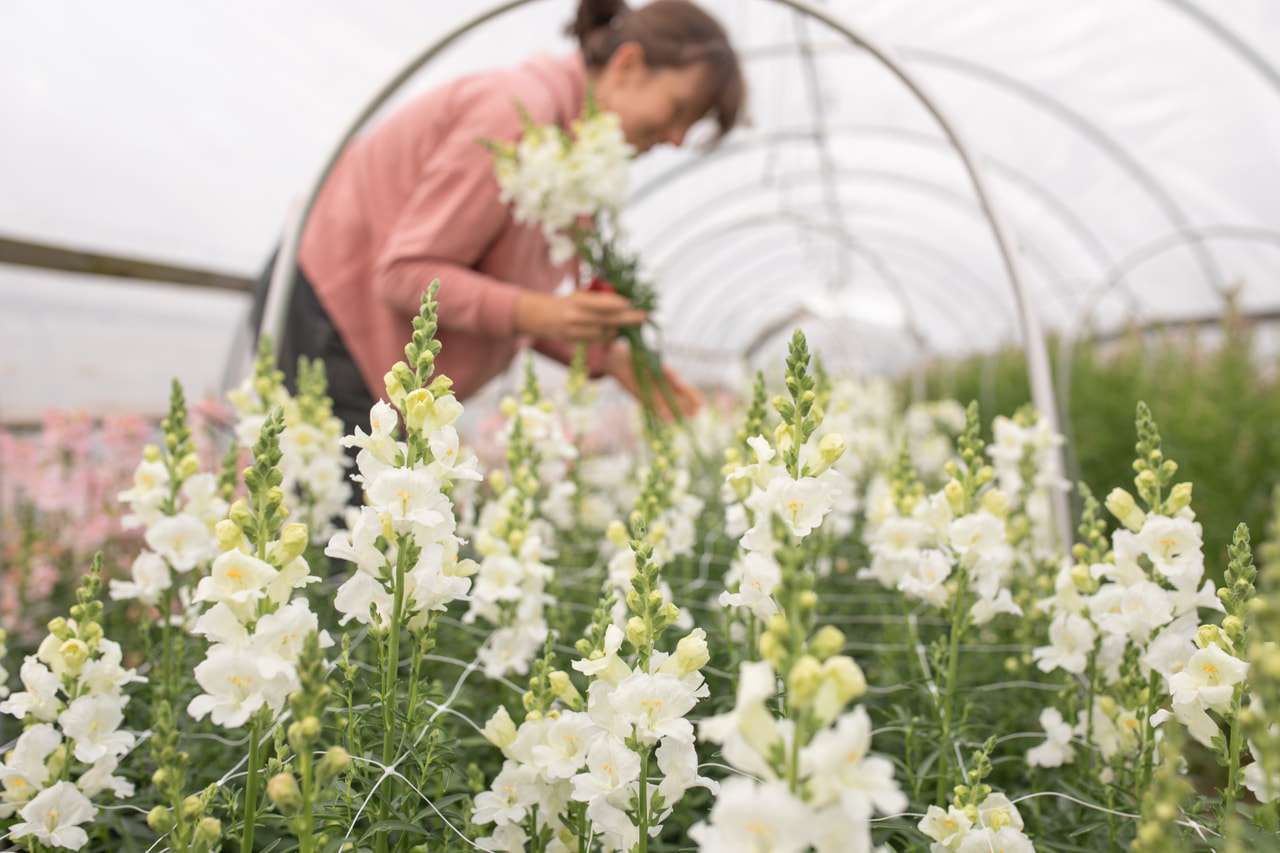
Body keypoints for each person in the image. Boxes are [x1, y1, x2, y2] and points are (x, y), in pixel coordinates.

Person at [257, 0, 746, 438]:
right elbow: (405, 274)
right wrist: (544, 313)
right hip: (332, 319)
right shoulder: (518, 114)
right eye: (680, 109)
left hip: (380, 360)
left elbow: (501, 294)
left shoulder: (573, 152)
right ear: (628, 65)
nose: (678, 139)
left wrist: (610, 358)